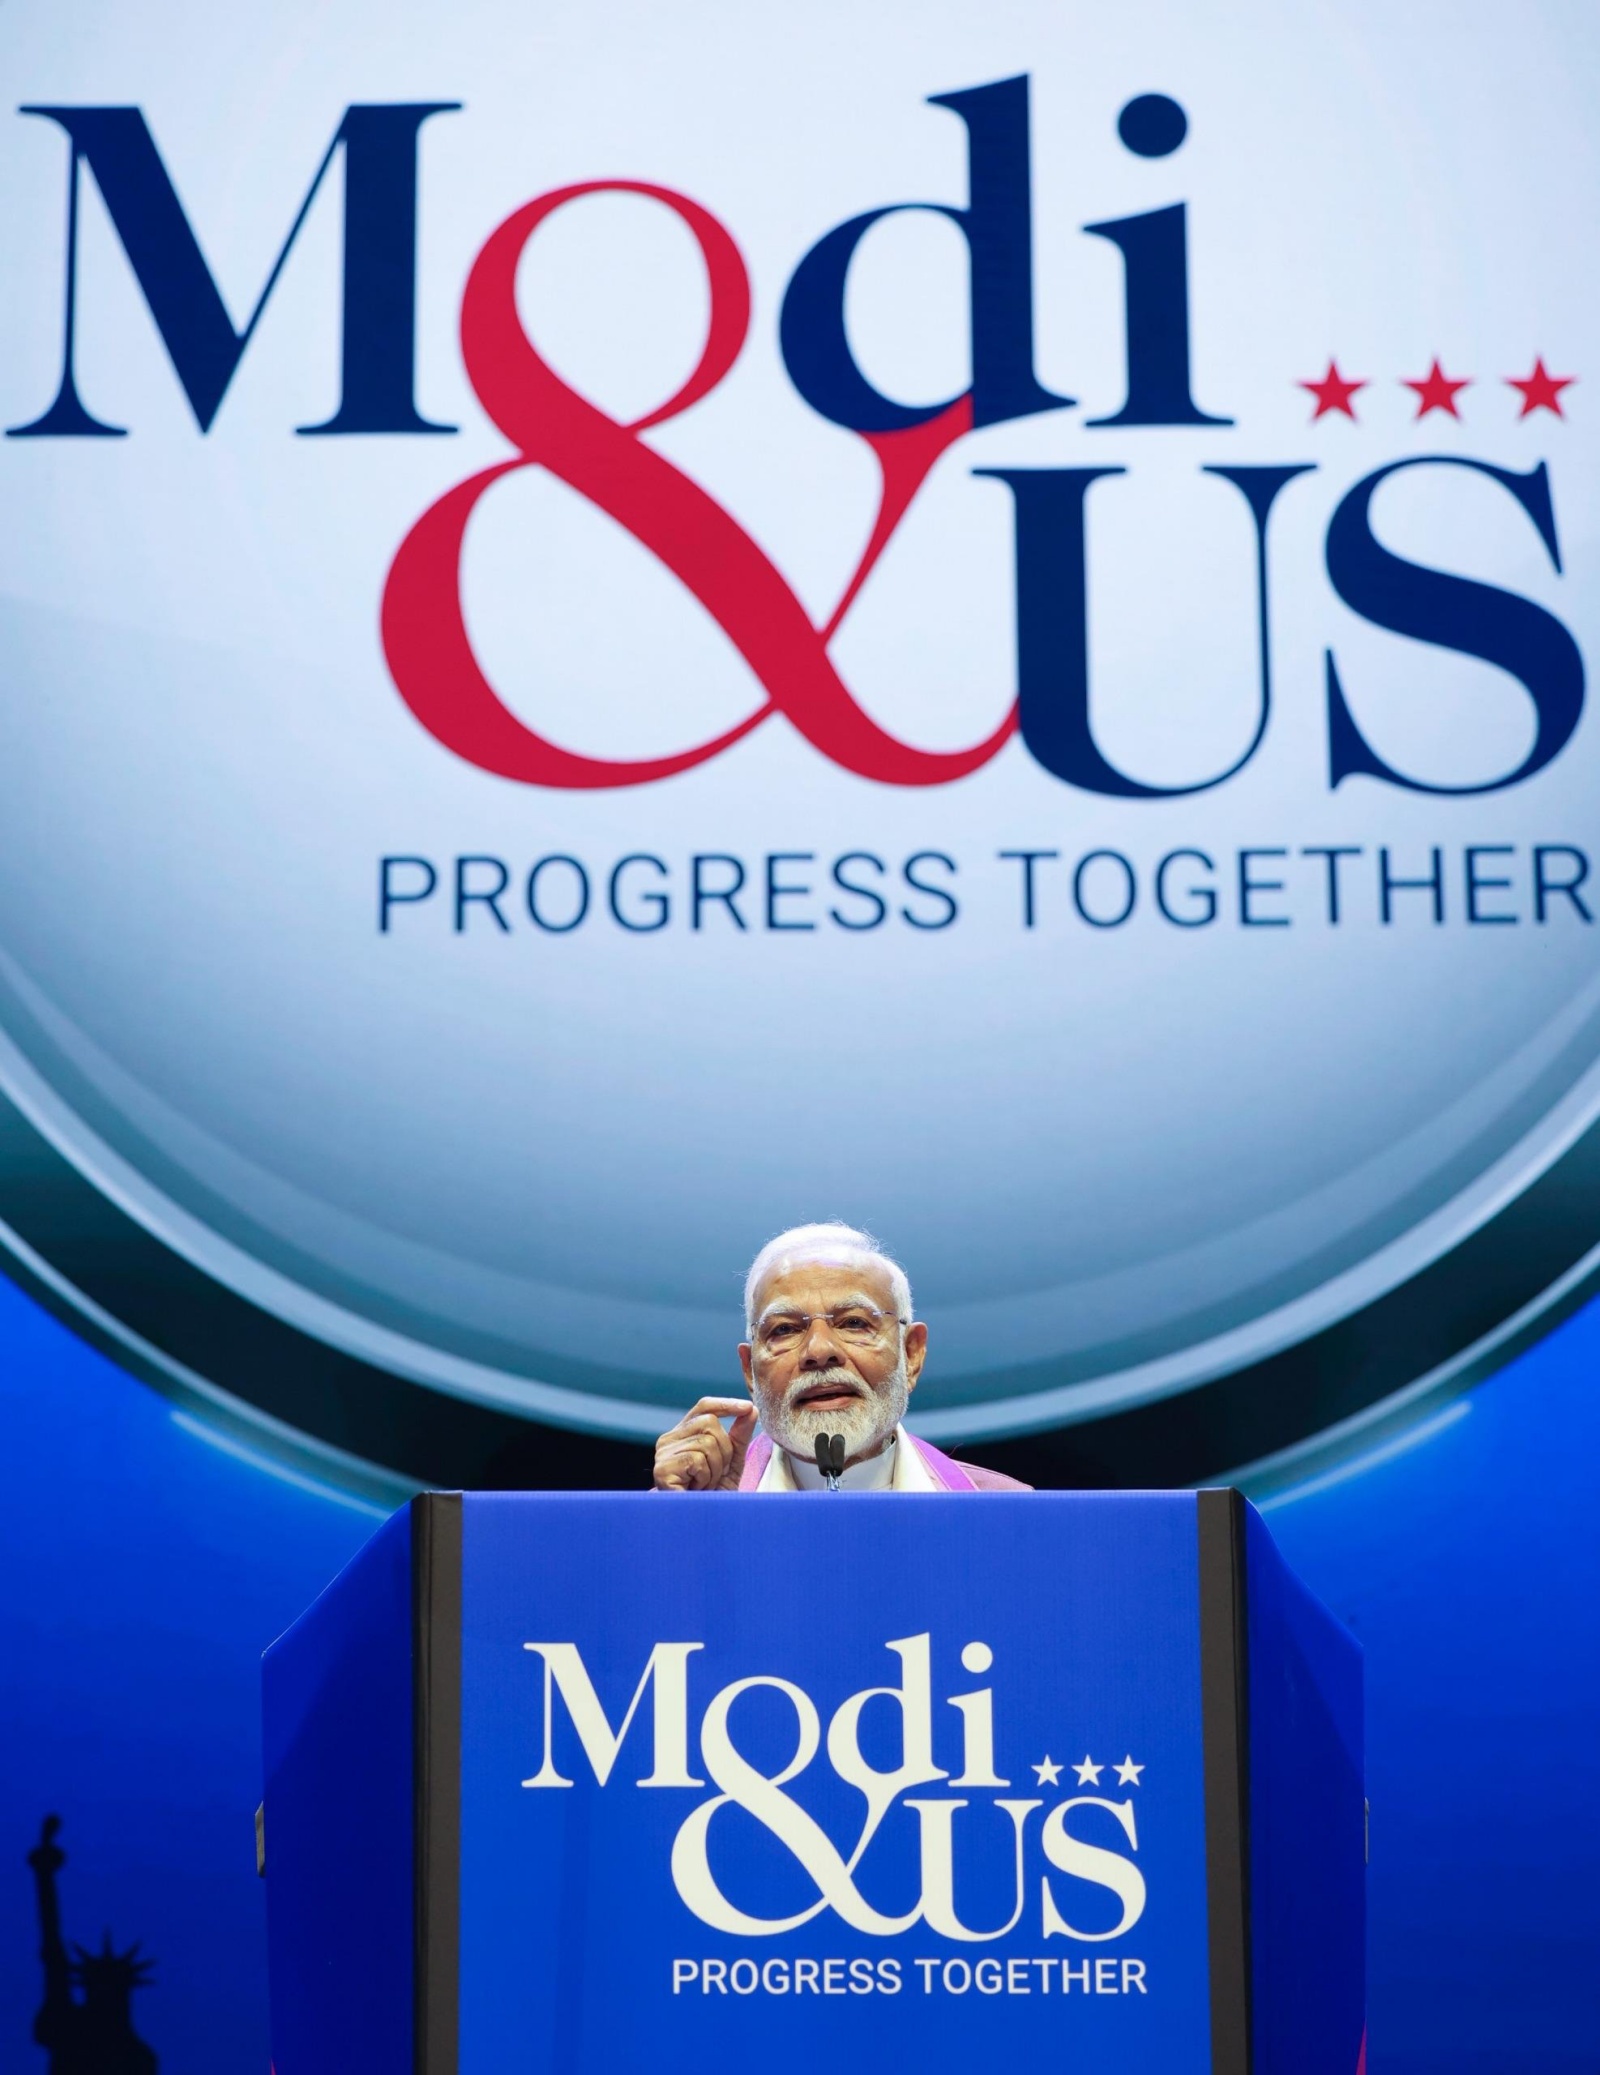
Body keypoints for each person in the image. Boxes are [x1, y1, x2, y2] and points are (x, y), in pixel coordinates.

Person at [652, 1222, 1030, 1492]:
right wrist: (692, 1528)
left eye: (853, 1323)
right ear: (749, 1371)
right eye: (785, 1329)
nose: (819, 1351)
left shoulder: (1012, 1515)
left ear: (911, 1354)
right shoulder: (680, 1510)